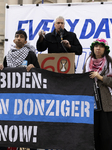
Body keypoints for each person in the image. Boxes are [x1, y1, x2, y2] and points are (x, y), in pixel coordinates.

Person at [0, 30, 40, 150]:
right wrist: (2, 68)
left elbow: (39, 73)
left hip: (26, 96)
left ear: (25, 41)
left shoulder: (31, 55)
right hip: (12, 98)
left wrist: (34, 68)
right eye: (17, 36)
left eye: (21, 37)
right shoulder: (8, 56)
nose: (19, 38)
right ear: (13, 40)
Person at [83, 38, 112, 150]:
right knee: (92, 131)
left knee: (106, 132)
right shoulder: (87, 61)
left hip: (105, 101)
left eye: (101, 46)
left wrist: (99, 77)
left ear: (105, 49)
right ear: (93, 48)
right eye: (96, 46)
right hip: (91, 99)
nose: (98, 48)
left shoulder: (109, 62)